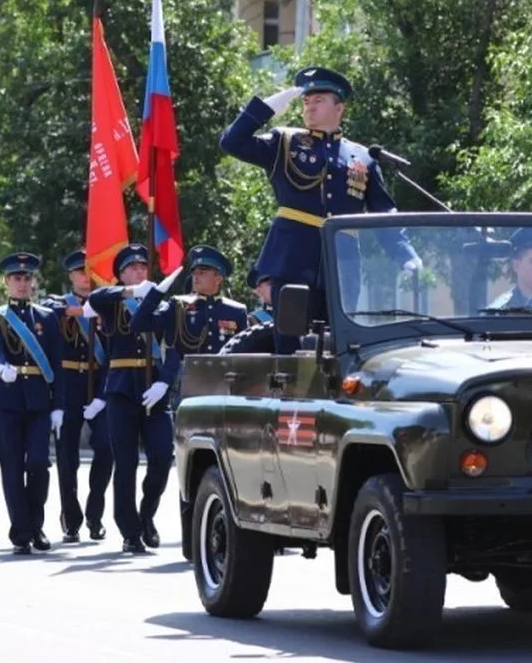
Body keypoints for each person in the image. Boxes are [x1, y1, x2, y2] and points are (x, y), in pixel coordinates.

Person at [219, 66, 420, 352]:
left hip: (342, 263)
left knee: (339, 344)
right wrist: (269, 105)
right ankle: (288, 396)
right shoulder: (284, 142)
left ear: (339, 108)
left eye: (319, 101)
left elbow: (383, 211)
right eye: (306, 101)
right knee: (289, 344)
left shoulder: (362, 156)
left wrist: (404, 253)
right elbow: (231, 142)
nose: (310, 107)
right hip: (291, 260)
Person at [146, 244, 246, 554]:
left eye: (203, 273)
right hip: (189, 393)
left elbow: (244, 354)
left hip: (225, 394)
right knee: (190, 463)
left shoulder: (236, 311)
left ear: (219, 277)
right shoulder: (178, 305)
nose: (196, 277)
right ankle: (192, 540)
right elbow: (142, 324)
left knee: (227, 462)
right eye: (195, 272)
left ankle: (227, 533)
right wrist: (155, 294)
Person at [84, 244, 171, 553]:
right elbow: (95, 299)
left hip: (154, 388)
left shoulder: (160, 303)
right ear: (121, 275)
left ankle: (146, 516)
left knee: (162, 457)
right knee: (126, 462)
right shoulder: (115, 300)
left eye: (143, 267)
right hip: (121, 388)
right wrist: (132, 291)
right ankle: (130, 530)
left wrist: (164, 383)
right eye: (132, 268)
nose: (140, 271)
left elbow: (173, 342)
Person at [0, 252, 64, 556]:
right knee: (13, 467)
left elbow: (57, 362)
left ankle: (37, 524)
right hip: (8, 399)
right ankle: (21, 531)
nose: (22, 283)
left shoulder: (46, 317)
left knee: (39, 463)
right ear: (6, 282)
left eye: (27, 278)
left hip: (40, 400)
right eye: (16, 278)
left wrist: (60, 404)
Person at [42, 249, 112, 543]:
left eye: (90, 272)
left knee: (107, 449)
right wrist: (81, 311)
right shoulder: (56, 306)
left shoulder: (107, 305)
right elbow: (43, 313)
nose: (86, 277)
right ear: (70, 276)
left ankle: (95, 513)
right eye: (80, 272)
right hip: (68, 384)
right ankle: (71, 518)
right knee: (67, 456)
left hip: (98, 384)